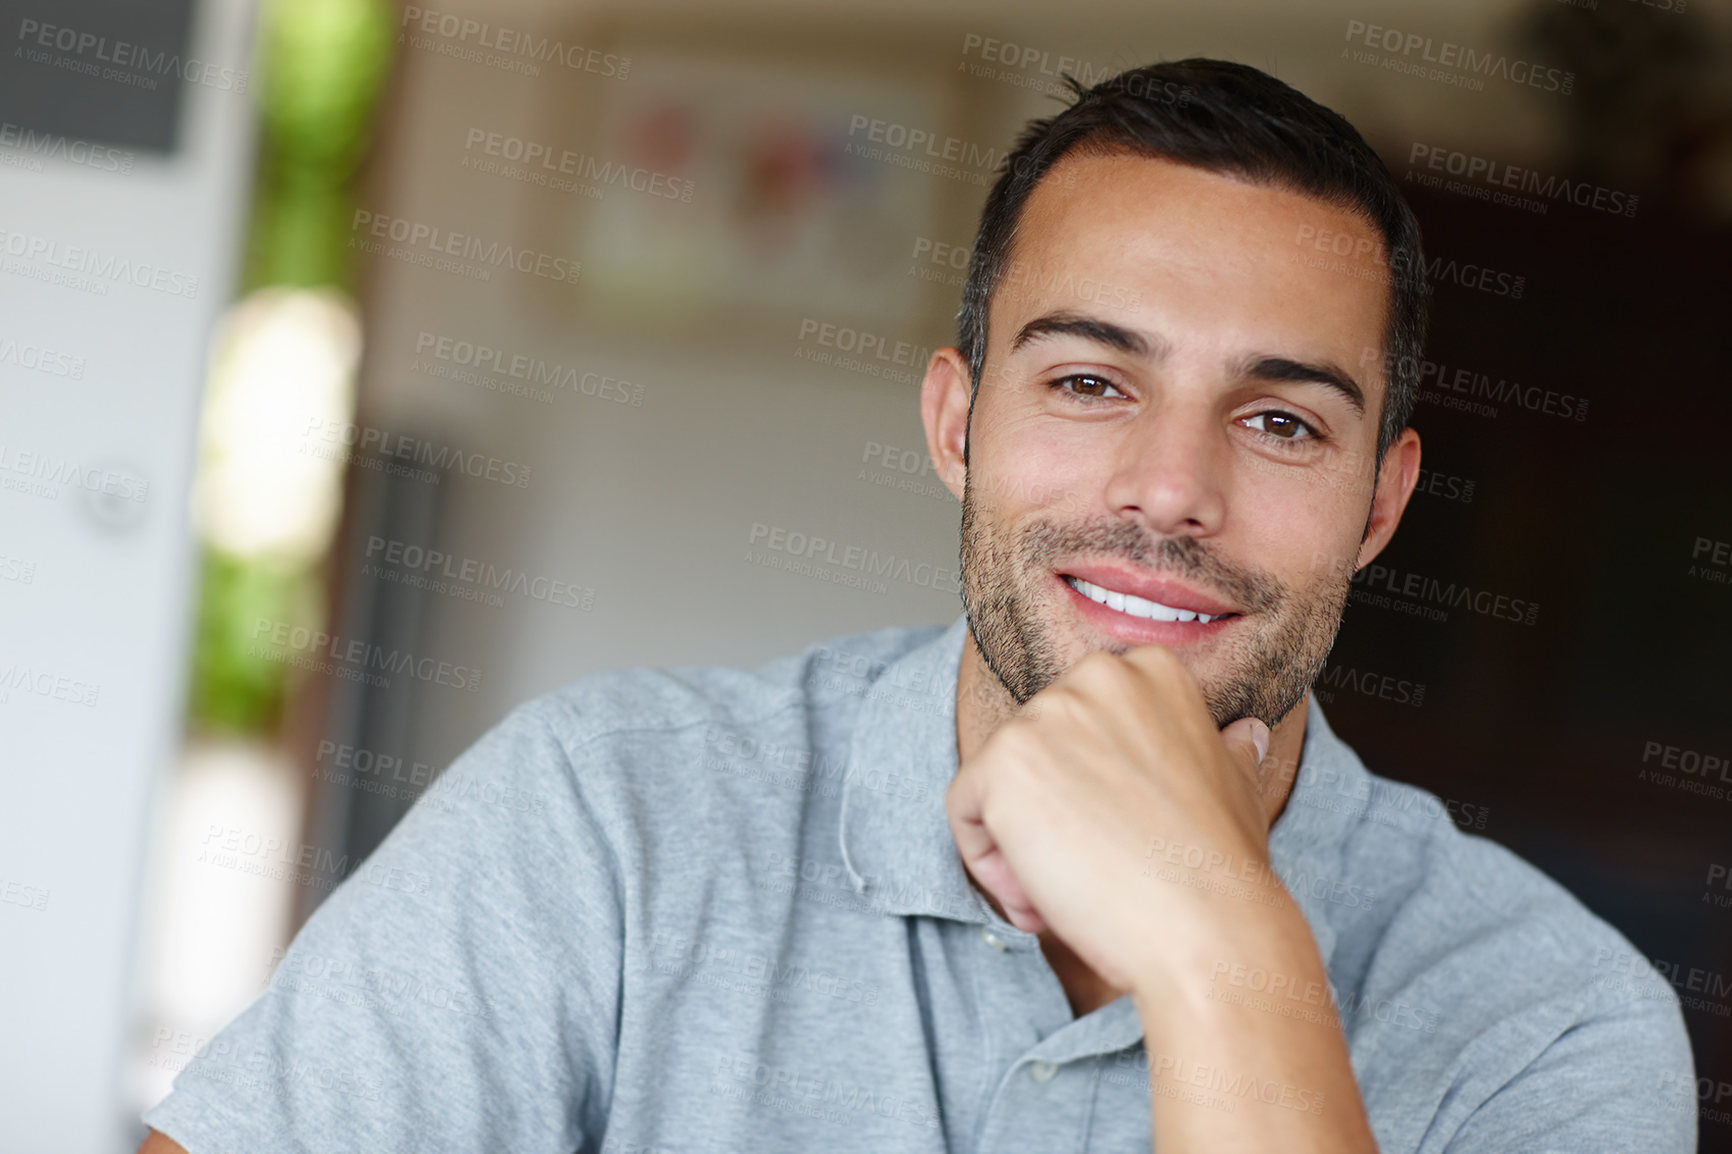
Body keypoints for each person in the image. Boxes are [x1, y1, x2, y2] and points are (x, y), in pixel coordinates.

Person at [138, 58, 1695, 1153]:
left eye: (1281, 420)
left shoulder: (1553, 1024)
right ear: (957, 424)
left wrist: (1230, 949)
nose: (1170, 491)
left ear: (1382, 503)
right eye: (1090, 380)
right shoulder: (605, 815)